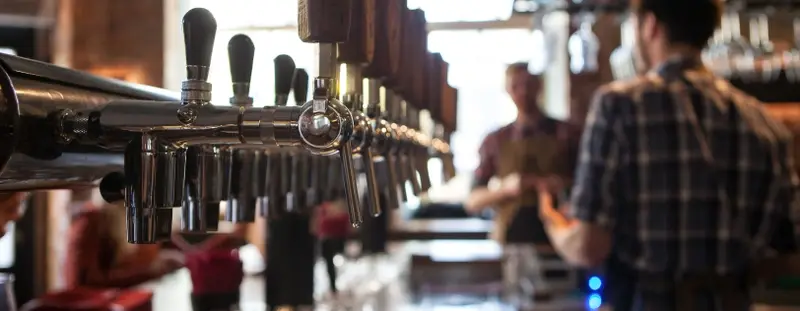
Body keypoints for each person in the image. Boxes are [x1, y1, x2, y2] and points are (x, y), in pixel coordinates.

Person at [537, 0, 800, 310]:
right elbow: (788, 252)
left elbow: (588, 246)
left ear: (651, 26)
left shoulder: (618, 106)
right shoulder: (765, 123)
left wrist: (554, 225)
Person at [464, 62, 579, 302]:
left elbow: (590, 187)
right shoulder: (496, 140)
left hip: (561, 243)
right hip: (511, 247)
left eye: (528, 85)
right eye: (516, 86)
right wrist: (505, 189)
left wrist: (561, 186)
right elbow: (473, 201)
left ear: (539, 86)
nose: (523, 92)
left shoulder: (566, 133)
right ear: (508, 90)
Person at [64, 188, 182, 288]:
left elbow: (178, 250)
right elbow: (85, 283)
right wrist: (149, 272)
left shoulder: (145, 218)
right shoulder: (92, 222)